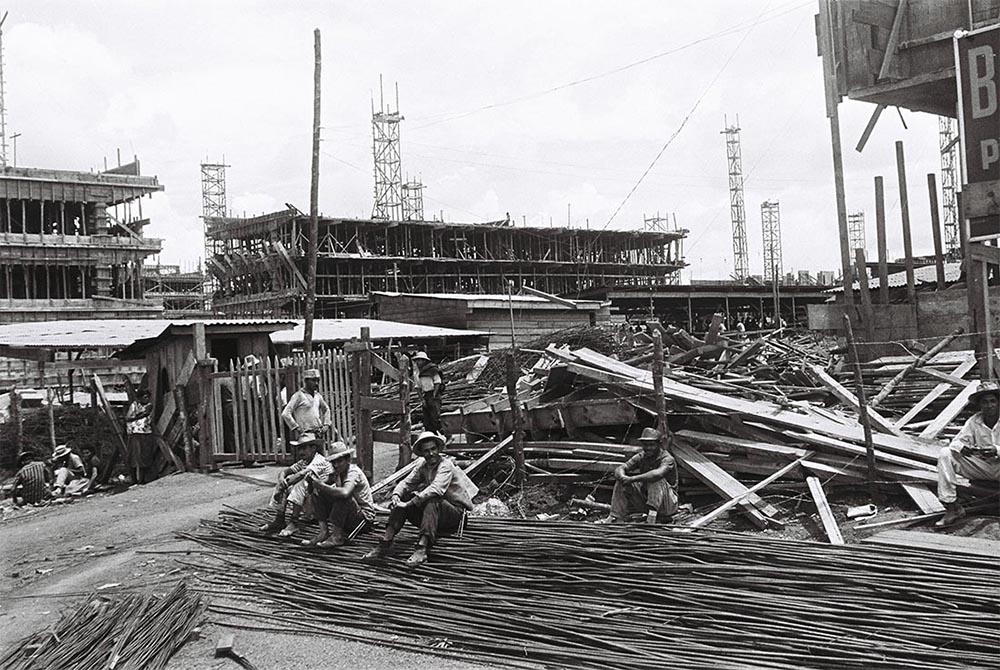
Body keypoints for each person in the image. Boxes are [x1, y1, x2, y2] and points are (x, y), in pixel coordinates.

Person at [362, 431, 477, 567]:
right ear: (422, 453)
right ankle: (386, 542)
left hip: (455, 516)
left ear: (438, 449)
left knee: (432, 499)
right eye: (426, 451)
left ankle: (421, 548)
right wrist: (396, 495)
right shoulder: (423, 465)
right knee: (404, 497)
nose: (430, 454)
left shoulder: (446, 465)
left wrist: (410, 503)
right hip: (436, 516)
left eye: (433, 449)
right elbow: (406, 482)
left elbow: (435, 489)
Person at [936, 381, 1000, 527]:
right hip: (982, 467)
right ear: (980, 405)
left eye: (992, 401)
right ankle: (952, 508)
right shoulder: (974, 421)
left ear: (998, 402)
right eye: (984, 402)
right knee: (946, 453)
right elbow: (956, 443)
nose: (989, 406)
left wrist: (996, 450)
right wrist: (963, 448)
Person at [258, 433, 333, 537]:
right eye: (299, 449)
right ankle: (280, 519)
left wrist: (285, 484)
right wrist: (281, 480)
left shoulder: (319, 460)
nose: (301, 452)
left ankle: (294, 523)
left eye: (304, 448)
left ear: (313, 448)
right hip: (312, 502)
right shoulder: (304, 461)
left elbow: (301, 474)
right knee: (286, 482)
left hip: (323, 505)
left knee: (301, 482)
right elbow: (284, 472)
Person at [303, 441, 375, 548]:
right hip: (349, 517)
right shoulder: (336, 472)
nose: (336, 465)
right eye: (333, 462)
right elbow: (318, 487)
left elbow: (345, 493)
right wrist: (312, 482)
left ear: (348, 460)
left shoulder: (353, 472)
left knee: (343, 496)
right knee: (319, 493)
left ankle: (337, 537)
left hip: (363, 520)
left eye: (340, 461)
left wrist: (321, 486)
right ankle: (324, 532)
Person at [600, 427, 678, 524]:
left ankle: (651, 519)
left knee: (655, 479)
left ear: (659, 444)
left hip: (667, 505)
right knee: (621, 482)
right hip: (646, 502)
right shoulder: (642, 456)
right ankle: (615, 517)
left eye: (652, 445)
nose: (648, 448)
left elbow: (656, 474)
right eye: (645, 445)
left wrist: (632, 479)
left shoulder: (667, 459)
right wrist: (623, 477)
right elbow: (621, 468)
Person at [281, 368, 335, 442]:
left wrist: (326, 424)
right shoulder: (299, 396)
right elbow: (285, 413)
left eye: (317, 380)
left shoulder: (317, 396)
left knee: (321, 453)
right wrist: (296, 428)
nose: (316, 383)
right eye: (313, 380)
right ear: (306, 381)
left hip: (319, 435)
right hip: (305, 436)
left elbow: (326, 410)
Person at [125, 387, 157, 484]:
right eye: (144, 397)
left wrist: (138, 415)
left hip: (146, 433)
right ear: (139, 398)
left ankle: (142, 481)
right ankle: (134, 480)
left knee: (144, 457)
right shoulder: (134, 405)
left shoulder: (149, 406)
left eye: (147, 397)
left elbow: (145, 416)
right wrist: (141, 415)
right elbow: (128, 418)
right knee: (134, 457)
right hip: (135, 433)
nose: (146, 399)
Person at [412, 352, 444, 433]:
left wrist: (434, 395)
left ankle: (446, 435)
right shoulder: (417, 373)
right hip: (426, 395)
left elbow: (437, 382)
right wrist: (422, 399)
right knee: (427, 419)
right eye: (417, 360)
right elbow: (418, 387)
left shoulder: (432, 369)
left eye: (420, 360)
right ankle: (431, 436)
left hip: (434, 394)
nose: (418, 362)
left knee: (435, 417)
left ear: (424, 361)